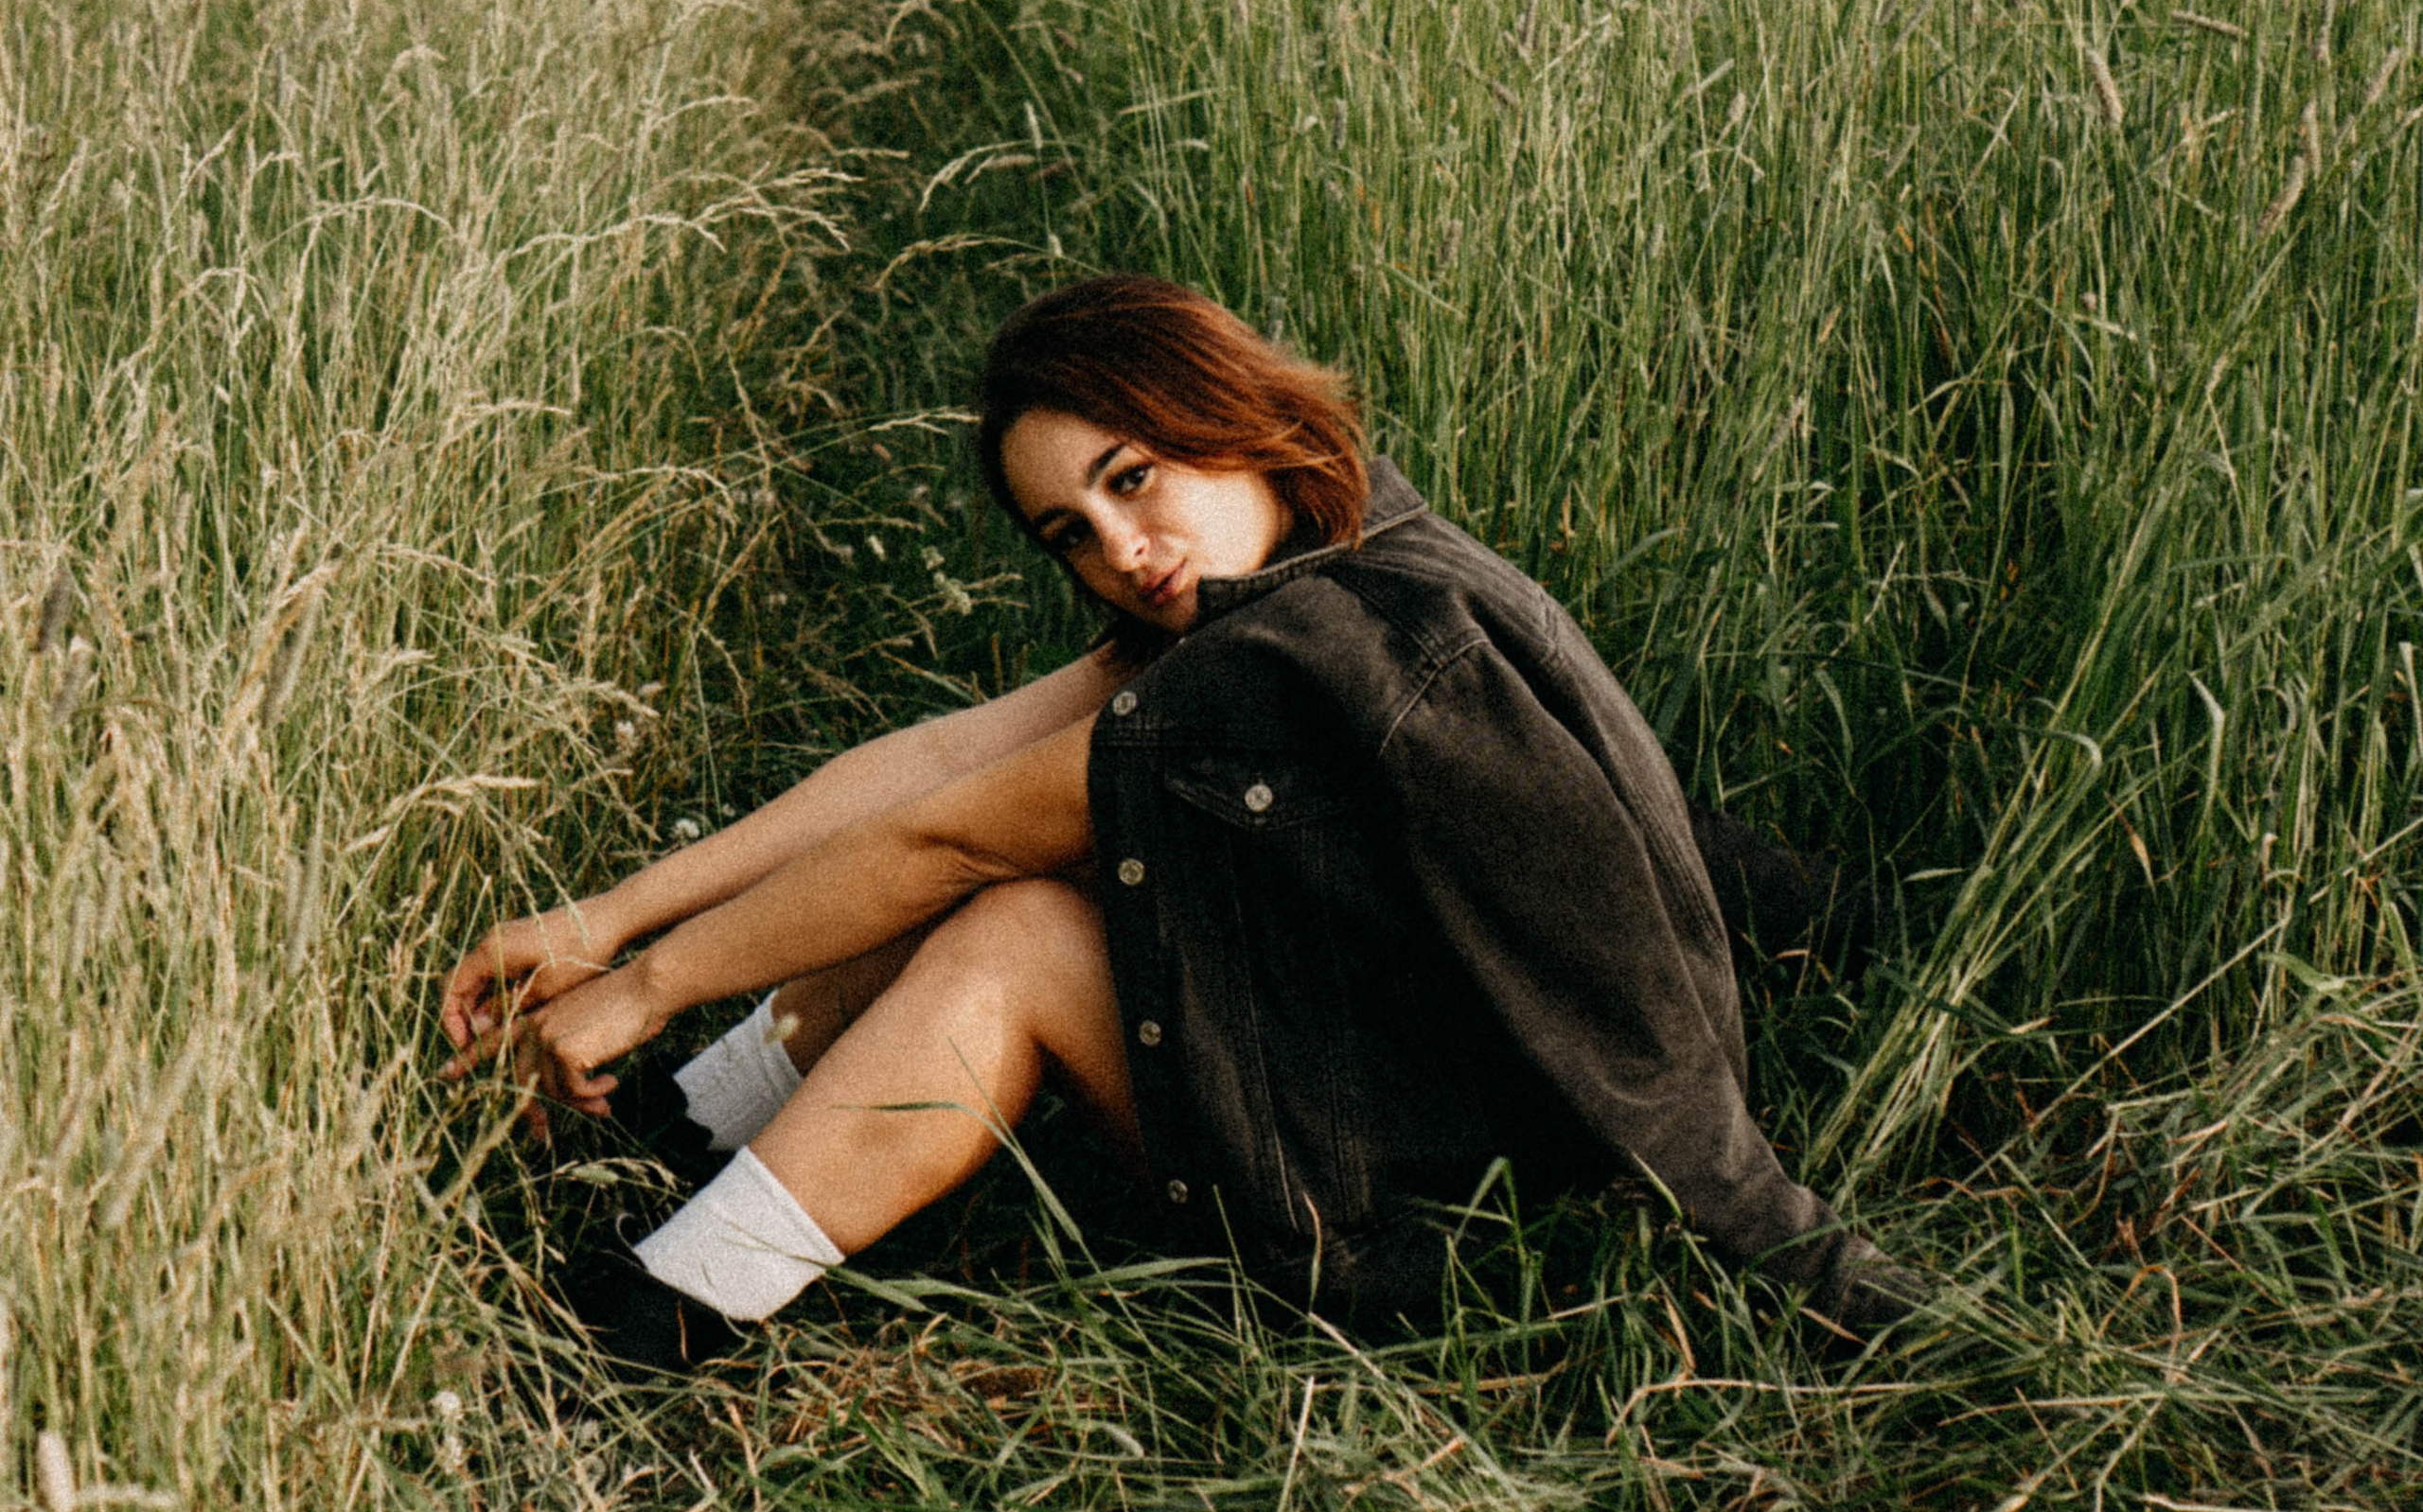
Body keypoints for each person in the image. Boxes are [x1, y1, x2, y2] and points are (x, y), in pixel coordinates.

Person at [441, 275, 1921, 1375]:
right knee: (1004, 854)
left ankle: (649, 1318)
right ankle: (680, 1134)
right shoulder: (1350, 548)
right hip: (1430, 1104)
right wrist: (603, 920)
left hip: (1454, 1228)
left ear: (1230, 414)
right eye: (1072, 534)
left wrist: (642, 985)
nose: (1124, 551)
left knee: (1013, 929)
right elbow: (943, 759)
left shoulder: (1296, 660)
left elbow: (941, 840)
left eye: (1133, 478)